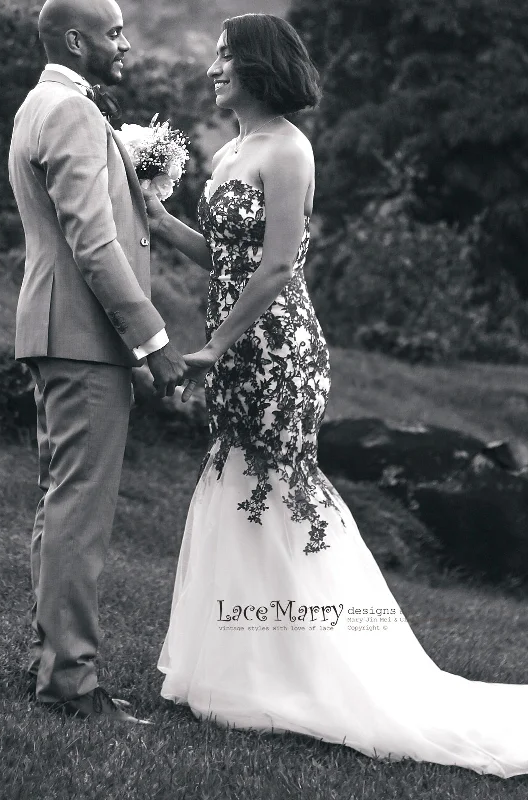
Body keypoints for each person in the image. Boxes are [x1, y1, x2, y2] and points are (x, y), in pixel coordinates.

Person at [144, 13, 528, 778]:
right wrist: (156, 216)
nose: (214, 68)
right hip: (237, 347)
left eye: (226, 57)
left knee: (281, 496)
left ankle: (322, 674)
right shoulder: (229, 151)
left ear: (260, 66)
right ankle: (240, 669)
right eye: (214, 56)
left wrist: (218, 345)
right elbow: (220, 255)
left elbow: (280, 264)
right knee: (237, 488)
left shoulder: (288, 147)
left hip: (280, 351)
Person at [8, 0, 186, 722]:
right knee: (80, 516)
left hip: (56, 332)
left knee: (62, 509)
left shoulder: (37, 104)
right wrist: (154, 340)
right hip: (83, 339)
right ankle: (71, 685)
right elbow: (92, 239)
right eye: (114, 32)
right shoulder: (73, 113)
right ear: (76, 40)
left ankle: (51, 664)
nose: (126, 44)